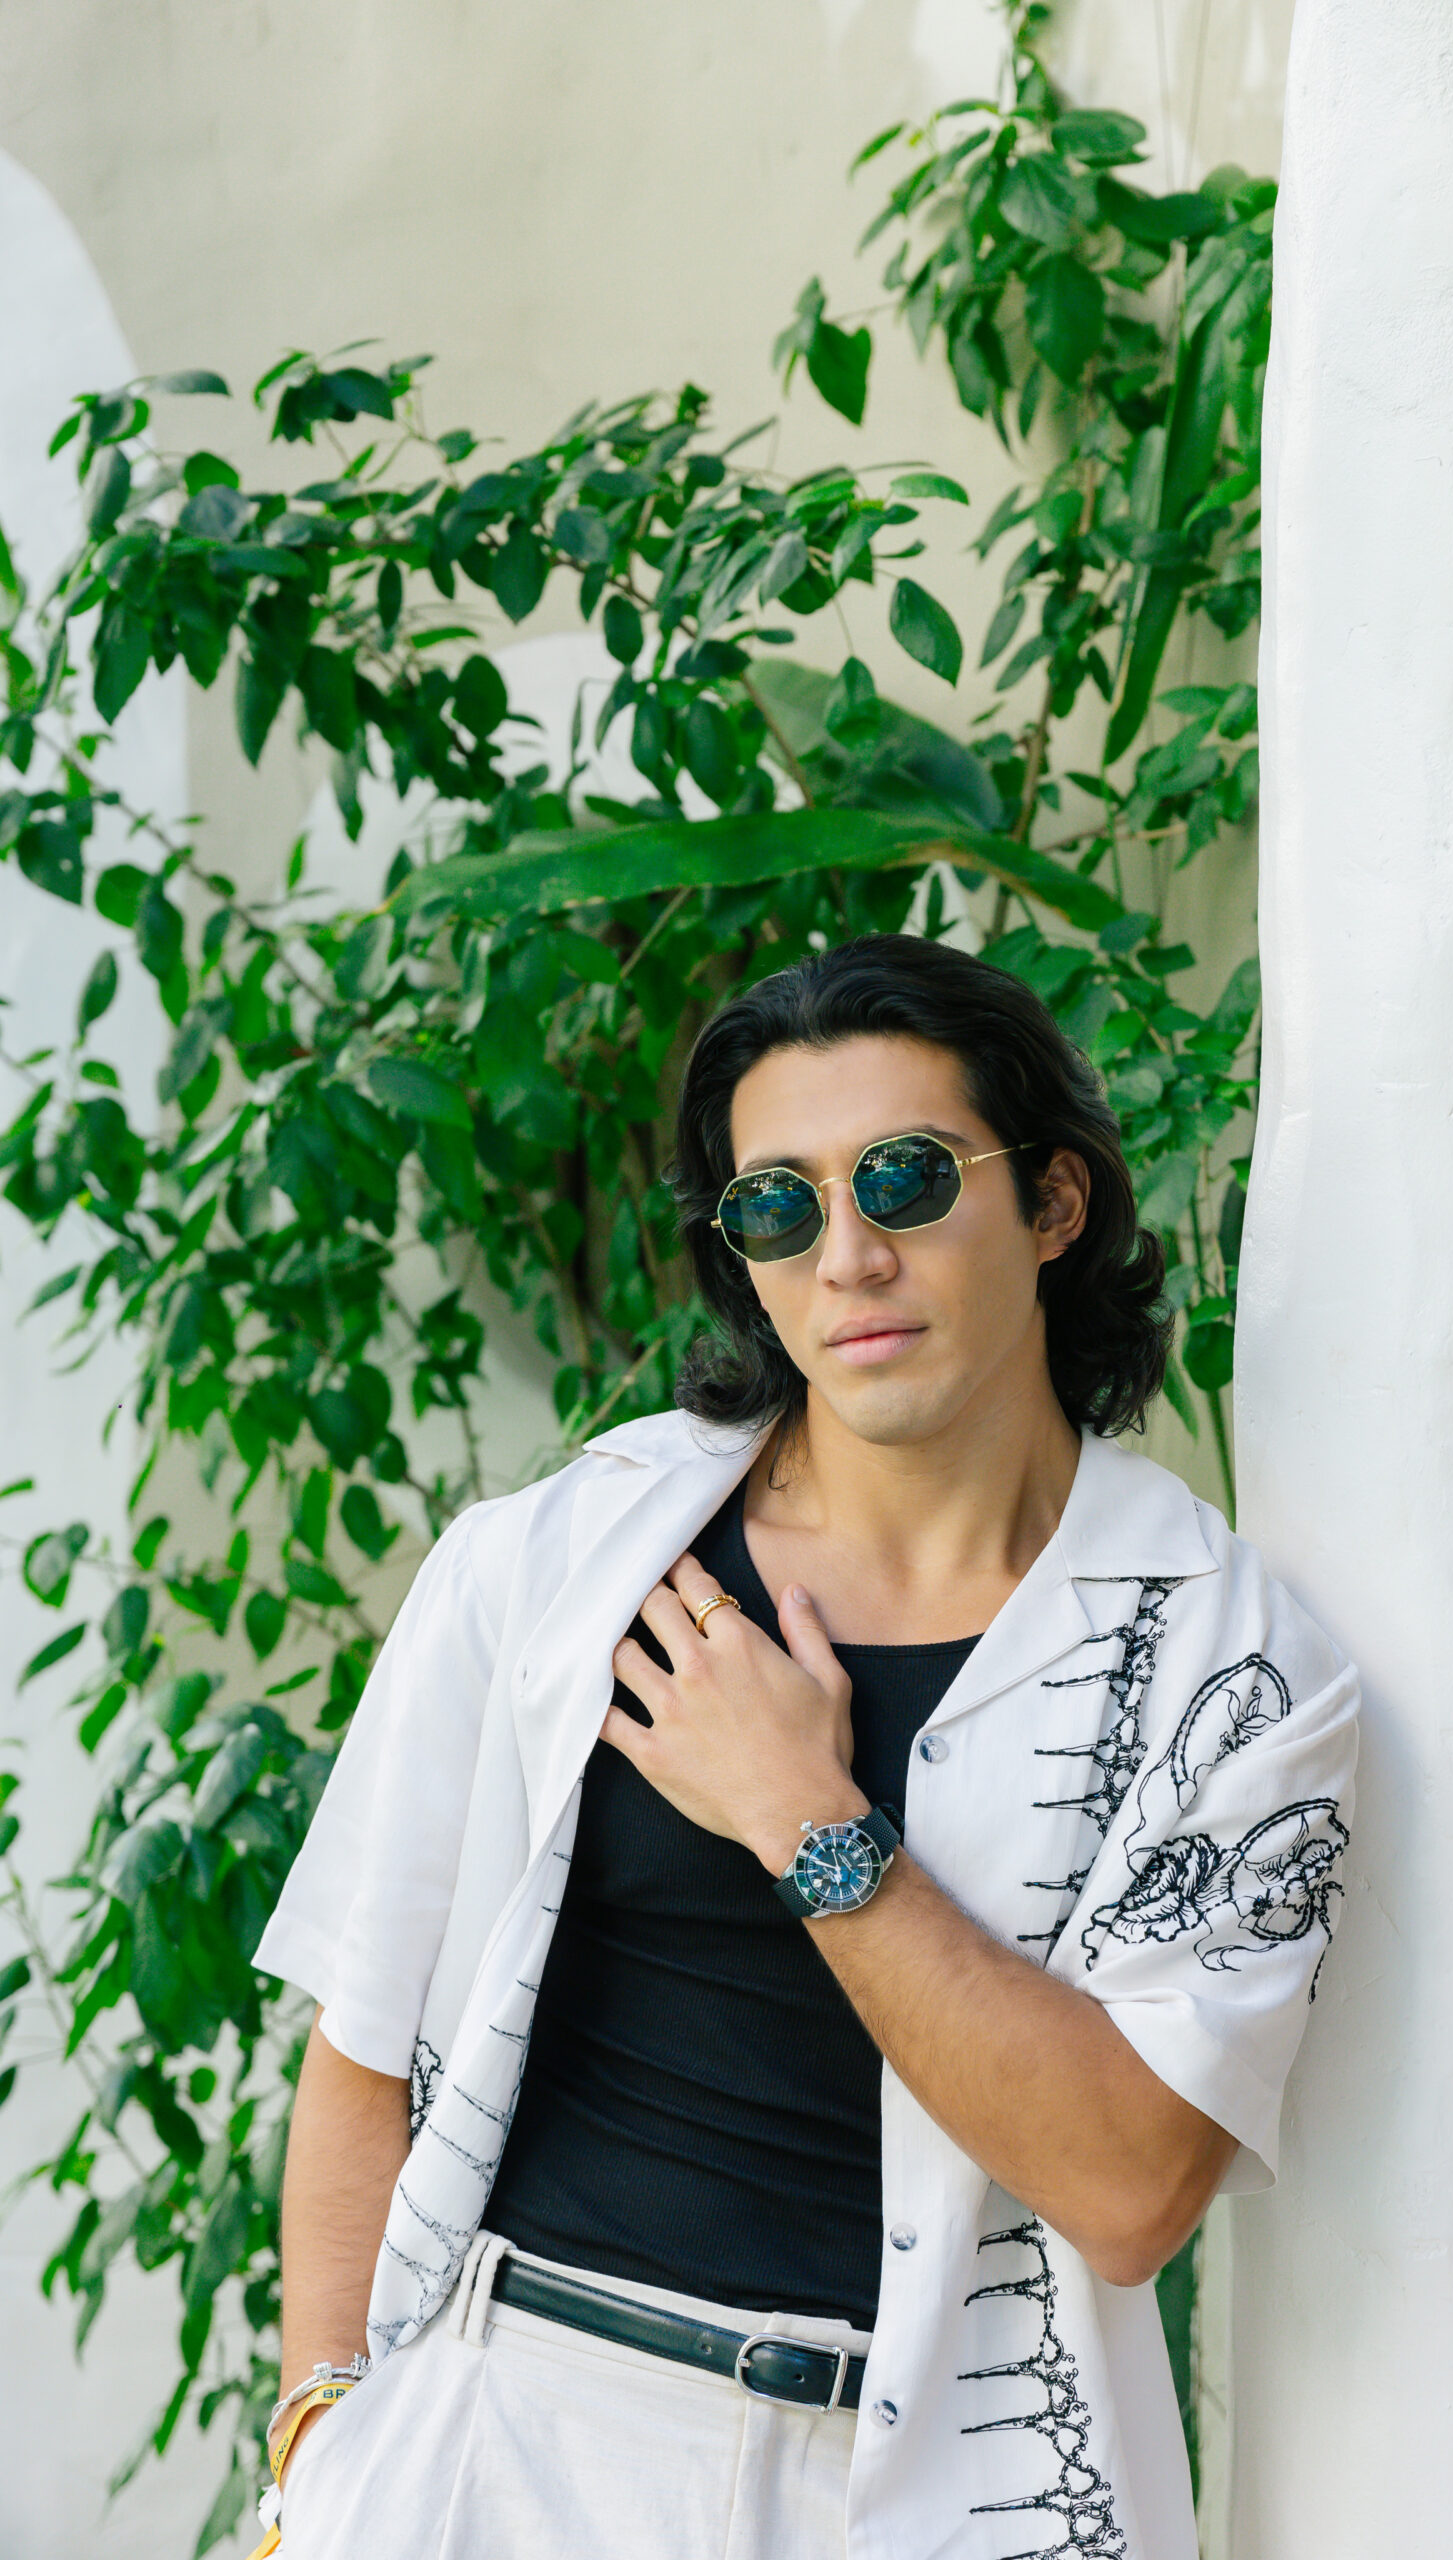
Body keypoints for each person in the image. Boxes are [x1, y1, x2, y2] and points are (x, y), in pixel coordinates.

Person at [249, 931, 1358, 2560]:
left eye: (905, 1180)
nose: (846, 1256)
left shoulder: (1230, 1664)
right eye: (777, 1205)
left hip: (925, 2494)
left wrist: (803, 1819)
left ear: (1053, 1202)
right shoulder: (556, 1566)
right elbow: (363, 2043)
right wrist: (320, 2445)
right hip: (505, 2444)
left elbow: (1129, 2191)